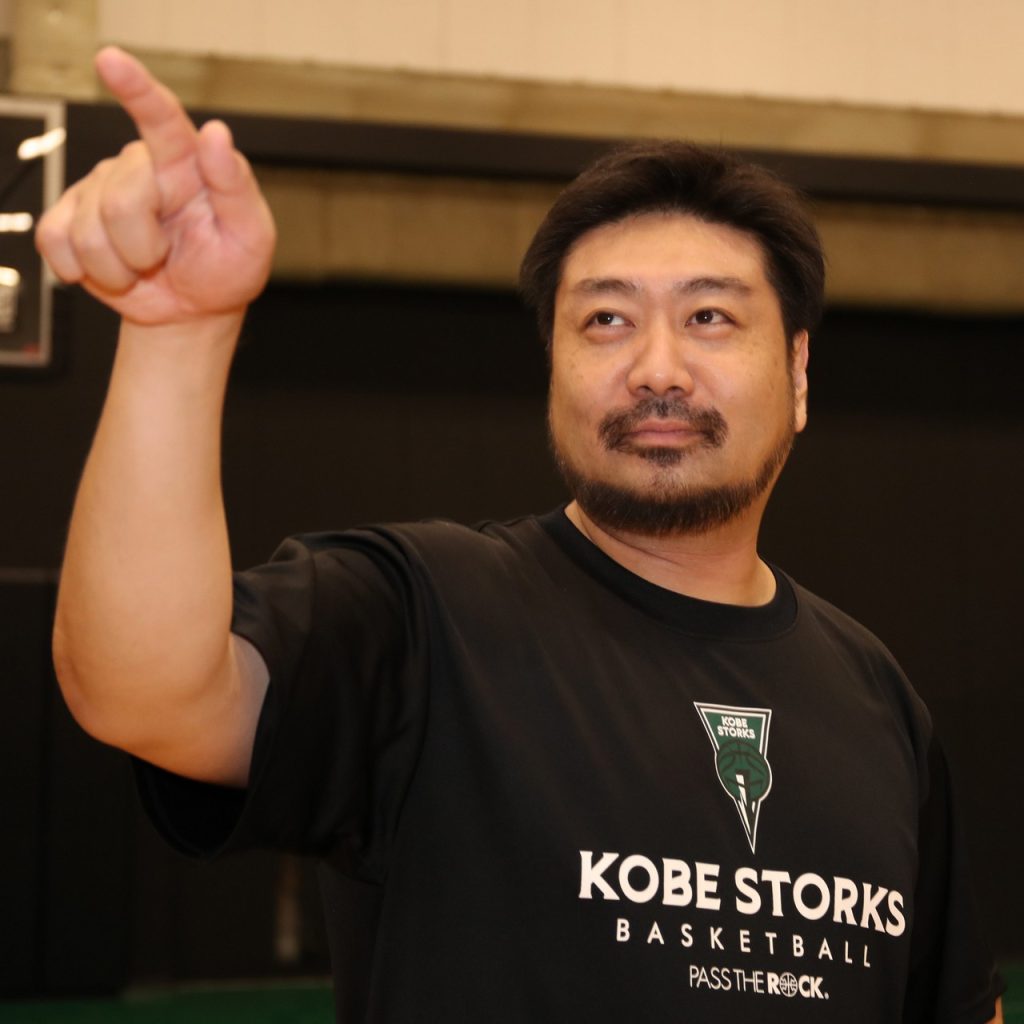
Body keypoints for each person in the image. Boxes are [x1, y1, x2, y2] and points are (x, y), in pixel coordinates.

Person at [39, 48, 1005, 1024]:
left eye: (710, 316)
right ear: (552, 368)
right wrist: (178, 332)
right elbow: (145, 690)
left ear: (797, 373)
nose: (656, 367)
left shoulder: (878, 702)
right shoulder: (426, 616)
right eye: (605, 320)